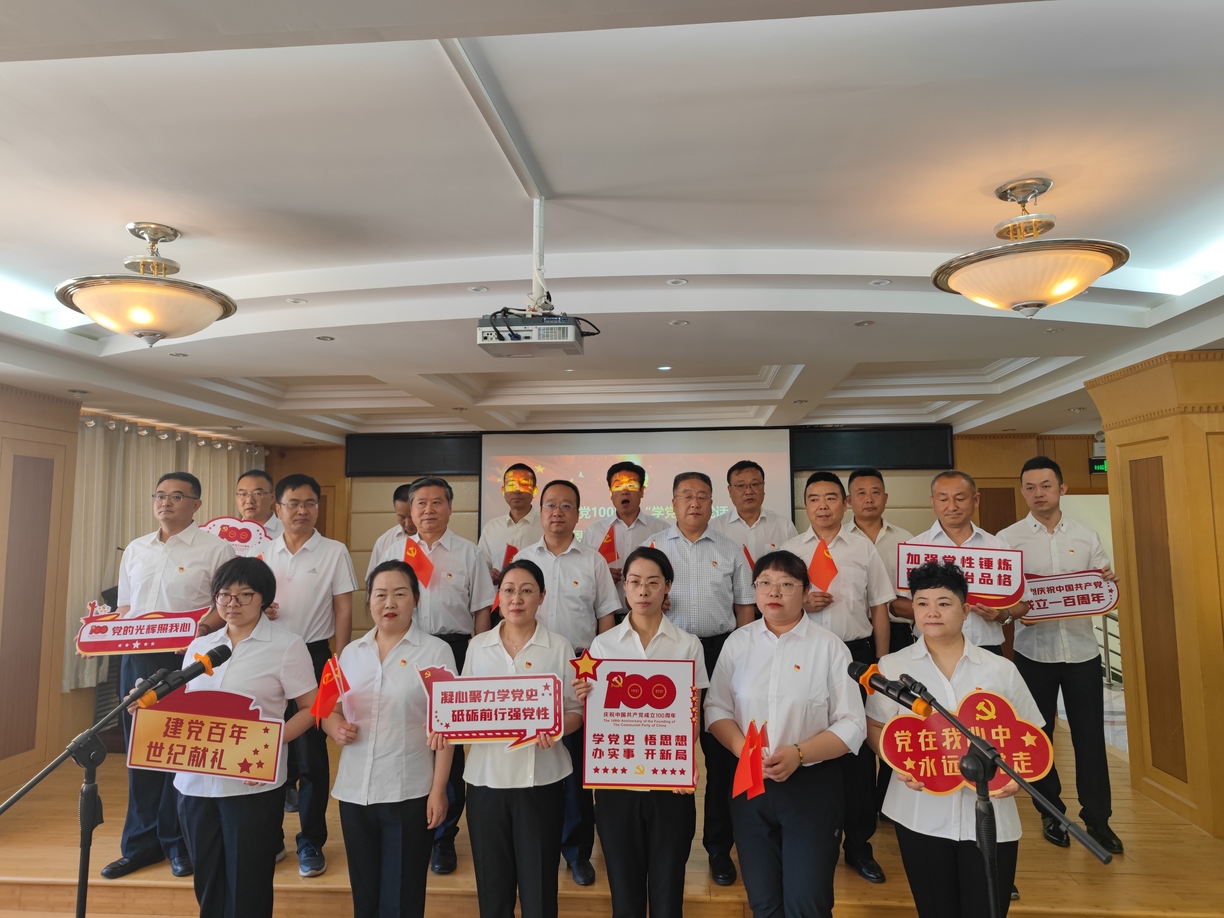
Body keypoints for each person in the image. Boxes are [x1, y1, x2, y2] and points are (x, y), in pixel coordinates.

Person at [866, 561, 1043, 918]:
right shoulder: (892, 668)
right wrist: (898, 763)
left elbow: (1031, 734)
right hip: (919, 813)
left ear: (965, 610)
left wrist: (1019, 778)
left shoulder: (1000, 669)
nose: (932, 612)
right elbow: (875, 727)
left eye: (944, 603)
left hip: (991, 814)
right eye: (922, 603)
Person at [706, 550, 866, 918]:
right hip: (750, 783)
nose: (773, 591)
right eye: (764, 583)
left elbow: (852, 723)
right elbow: (716, 709)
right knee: (763, 902)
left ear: (806, 591)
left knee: (807, 903)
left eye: (786, 584)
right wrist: (742, 748)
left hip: (812, 785)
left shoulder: (829, 647)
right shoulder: (738, 643)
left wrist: (800, 753)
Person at [102, 471, 235, 881]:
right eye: (160, 495)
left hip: (187, 661)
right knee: (141, 753)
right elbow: (125, 609)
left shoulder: (217, 549)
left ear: (196, 504)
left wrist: (201, 630)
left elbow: (225, 604)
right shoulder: (136, 549)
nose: (166, 502)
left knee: (178, 751)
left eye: (177, 496)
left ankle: (180, 844)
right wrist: (98, 633)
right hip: (136, 659)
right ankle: (140, 846)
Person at [174, 556, 318, 918]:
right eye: (224, 595)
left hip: (251, 784)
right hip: (195, 781)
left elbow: (311, 708)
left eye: (244, 595)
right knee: (208, 881)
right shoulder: (200, 647)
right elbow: (183, 706)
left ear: (264, 598)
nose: (232, 603)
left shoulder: (286, 645)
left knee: (248, 884)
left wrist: (270, 742)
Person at [997, 456, 1124, 856]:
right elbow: (1004, 598)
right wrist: (1011, 609)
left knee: (1090, 737)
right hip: (1032, 653)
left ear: (1062, 489)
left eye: (1046, 485)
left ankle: (1098, 818)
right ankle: (1051, 813)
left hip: (1083, 652)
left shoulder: (1086, 536)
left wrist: (1106, 583)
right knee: (1039, 737)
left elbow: (1100, 584)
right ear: (1023, 492)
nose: (1039, 493)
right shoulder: (1008, 539)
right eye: (1030, 487)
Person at [574, 546, 707, 918]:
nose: (643, 591)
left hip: (670, 782)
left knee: (668, 893)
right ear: (624, 588)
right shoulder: (602, 646)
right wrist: (585, 695)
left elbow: (692, 715)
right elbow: (596, 716)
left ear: (668, 587)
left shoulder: (688, 645)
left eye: (653, 582)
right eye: (634, 582)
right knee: (624, 892)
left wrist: (684, 759)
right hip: (616, 785)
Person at [324, 561, 457, 918]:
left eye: (400, 594)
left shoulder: (435, 652)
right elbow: (328, 710)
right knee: (364, 895)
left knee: (402, 897)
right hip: (355, 791)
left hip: (408, 790)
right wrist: (335, 727)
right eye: (380, 595)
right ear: (369, 602)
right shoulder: (350, 653)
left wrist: (439, 790)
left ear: (415, 599)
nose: (389, 603)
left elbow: (447, 729)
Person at [452, 559, 583, 918]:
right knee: (493, 889)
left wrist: (556, 729)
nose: (517, 599)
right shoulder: (478, 647)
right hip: (485, 782)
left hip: (541, 781)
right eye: (509, 590)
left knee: (539, 889)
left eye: (527, 591)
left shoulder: (559, 647)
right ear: (499, 596)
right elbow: (461, 708)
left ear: (542, 596)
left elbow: (576, 711)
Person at [782, 472, 893, 884]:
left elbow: (879, 607)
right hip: (805, 658)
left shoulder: (863, 548)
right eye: (814, 499)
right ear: (805, 505)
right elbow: (775, 608)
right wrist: (801, 604)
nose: (823, 506)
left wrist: (881, 663)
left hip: (856, 657)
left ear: (845, 504)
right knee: (808, 745)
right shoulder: (791, 551)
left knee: (858, 755)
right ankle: (811, 839)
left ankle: (859, 846)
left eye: (831, 498)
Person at [654, 471, 755, 886]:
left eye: (702, 496)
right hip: (668, 658)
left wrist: (743, 659)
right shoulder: (654, 548)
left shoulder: (731, 549)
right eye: (686, 496)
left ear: (713, 504)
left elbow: (745, 608)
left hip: (720, 654)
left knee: (721, 757)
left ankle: (718, 848)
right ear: (673, 503)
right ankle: (663, 844)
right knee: (667, 752)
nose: (694, 503)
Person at [516, 479, 620, 885]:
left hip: (579, 670)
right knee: (532, 757)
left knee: (576, 765)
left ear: (578, 514)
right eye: (550, 505)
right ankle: (535, 843)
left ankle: (577, 851)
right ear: (540, 511)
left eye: (566, 506)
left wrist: (598, 670)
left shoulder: (592, 561)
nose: (557, 512)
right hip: (531, 670)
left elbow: (606, 616)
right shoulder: (523, 559)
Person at [259, 473, 359, 877]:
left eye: (310, 503)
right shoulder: (263, 553)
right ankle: (270, 838)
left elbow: (344, 609)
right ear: (278, 509)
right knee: (268, 749)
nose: (302, 511)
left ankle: (311, 841)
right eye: (294, 503)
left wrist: (341, 659)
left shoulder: (334, 551)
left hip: (315, 657)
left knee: (311, 756)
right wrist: (262, 611)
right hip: (268, 657)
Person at [405, 475, 497, 873]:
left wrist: (477, 660)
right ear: (410, 510)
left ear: (450, 507)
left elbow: (481, 610)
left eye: (437, 502)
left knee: (449, 743)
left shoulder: (469, 552)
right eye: (421, 503)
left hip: (455, 651)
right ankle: (412, 825)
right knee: (410, 735)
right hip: (406, 650)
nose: (429, 509)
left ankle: (443, 836)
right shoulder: (394, 549)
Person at [842, 468, 918, 818]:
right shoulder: (837, 540)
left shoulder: (908, 540)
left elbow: (917, 595)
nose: (869, 498)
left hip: (899, 636)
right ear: (848, 501)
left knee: (894, 715)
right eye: (861, 492)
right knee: (856, 716)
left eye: (876, 492)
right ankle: (860, 801)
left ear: (886, 498)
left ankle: (888, 798)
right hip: (855, 637)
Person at [904, 471, 1029, 654]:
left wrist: (1002, 615)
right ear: (933, 502)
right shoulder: (915, 549)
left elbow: (1023, 603)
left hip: (985, 648)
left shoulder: (998, 547)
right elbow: (897, 605)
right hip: (931, 647)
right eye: (943, 499)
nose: (952, 506)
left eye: (960, 499)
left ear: (976, 500)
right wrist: (936, 611)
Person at [582, 461, 669, 603]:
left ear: (642, 491)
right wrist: (601, 577)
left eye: (631, 485)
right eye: (618, 486)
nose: (624, 491)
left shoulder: (661, 529)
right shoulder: (594, 531)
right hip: (605, 612)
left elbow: (670, 571)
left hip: (647, 610)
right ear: (610, 493)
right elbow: (582, 574)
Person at [709, 460, 797, 565]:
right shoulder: (715, 527)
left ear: (763, 486)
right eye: (741, 486)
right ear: (730, 490)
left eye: (754, 484)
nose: (749, 491)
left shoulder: (784, 526)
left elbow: (795, 567)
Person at [478, 464, 544, 585]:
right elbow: (481, 567)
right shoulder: (491, 528)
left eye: (524, 484)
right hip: (500, 595)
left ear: (535, 491)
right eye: (511, 484)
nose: (517, 490)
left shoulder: (545, 526)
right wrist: (489, 574)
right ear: (503, 491)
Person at [366, 481, 420, 579]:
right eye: (401, 517)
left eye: (412, 517)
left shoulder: (434, 538)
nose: (408, 523)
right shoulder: (384, 541)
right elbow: (372, 580)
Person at [235, 469, 283, 540]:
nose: (249, 501)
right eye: (243, 494)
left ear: (272, 497)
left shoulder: (287, 532)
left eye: (257, 494)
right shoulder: (230, 532)